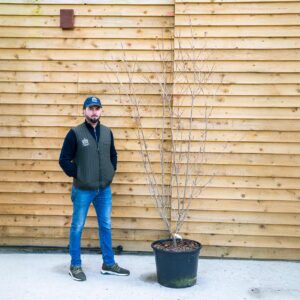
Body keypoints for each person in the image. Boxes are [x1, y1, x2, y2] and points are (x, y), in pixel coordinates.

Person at [59, 96, 130, 281]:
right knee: (77, 227)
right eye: (90, 108)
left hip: (103, 190)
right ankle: (75, 265)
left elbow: (113, 155)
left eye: (97, 108)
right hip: (83, 189)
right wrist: (80, 174)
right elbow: (64, 160)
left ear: (101, 111)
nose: (94, 112)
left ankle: (108, 263)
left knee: (105, 226)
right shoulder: (75, 133)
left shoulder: (107, 132)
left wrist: (110, 173)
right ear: (84, 111)